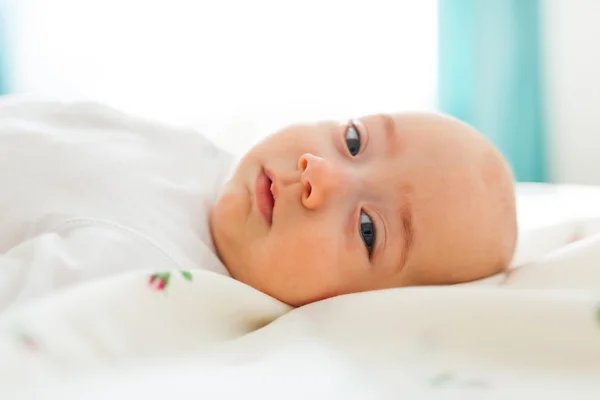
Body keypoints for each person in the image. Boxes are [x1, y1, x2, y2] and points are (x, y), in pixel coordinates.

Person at [0, 99, 516, 309]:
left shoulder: (145, 275)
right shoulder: (204, 155)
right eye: (355, 141)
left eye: (367, 229)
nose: (321, 172)